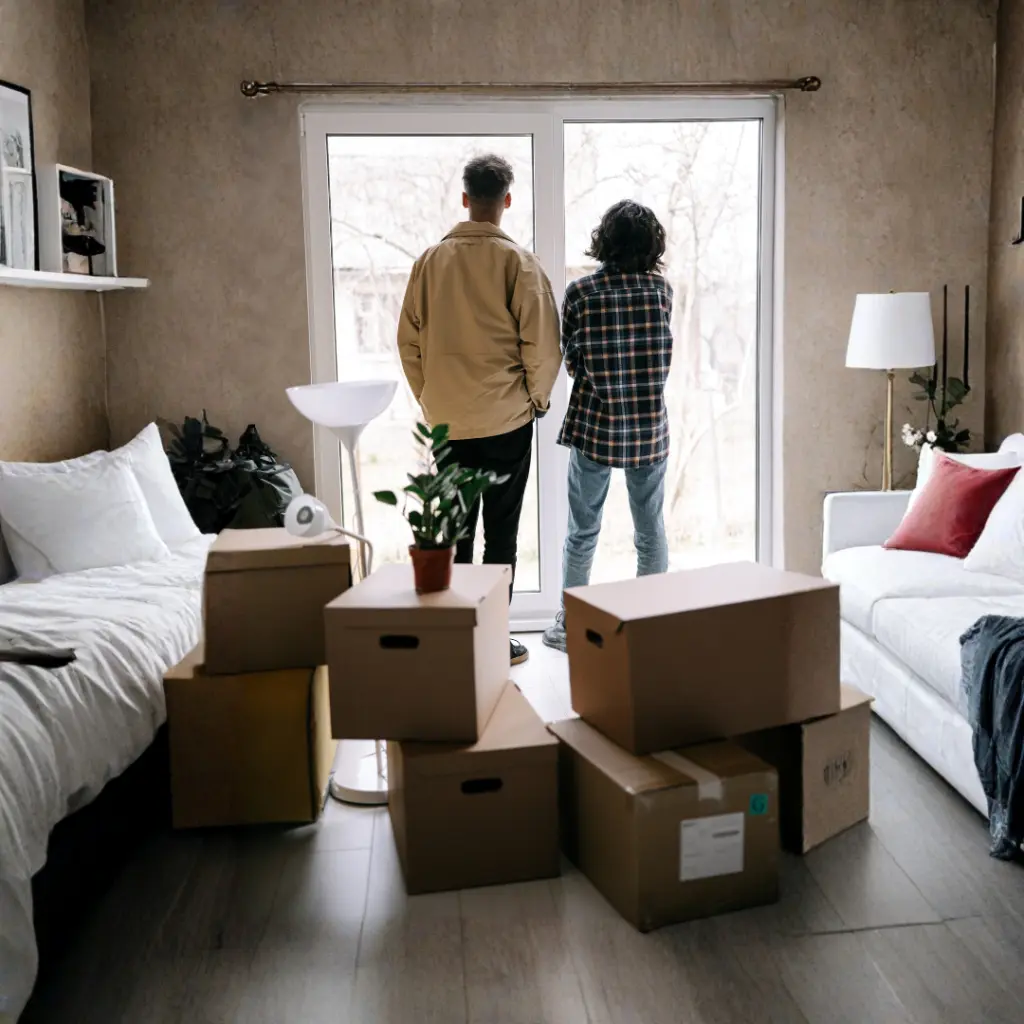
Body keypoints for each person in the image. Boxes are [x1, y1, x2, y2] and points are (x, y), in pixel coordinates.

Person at [398, 154, 561, 665]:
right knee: (502, 535)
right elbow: (543, 345)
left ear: (465, 199)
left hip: (449, 422)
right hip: (506, 419)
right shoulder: (520, 264)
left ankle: (455, 641)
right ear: (506, 200)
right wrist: (536, 398)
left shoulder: (428, 262)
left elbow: (408, 343)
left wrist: (431, 400)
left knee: (455, 533)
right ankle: (492, 642)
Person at [543, 200, 673, 653]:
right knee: (650, 529)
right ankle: (652, 620)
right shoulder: (662, 292)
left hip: (596, 427)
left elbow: (573, 362)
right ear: (650, 244)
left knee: (583, 530)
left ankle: (570, 624)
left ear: (605, 240)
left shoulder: (580, 293)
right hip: (648, 429)